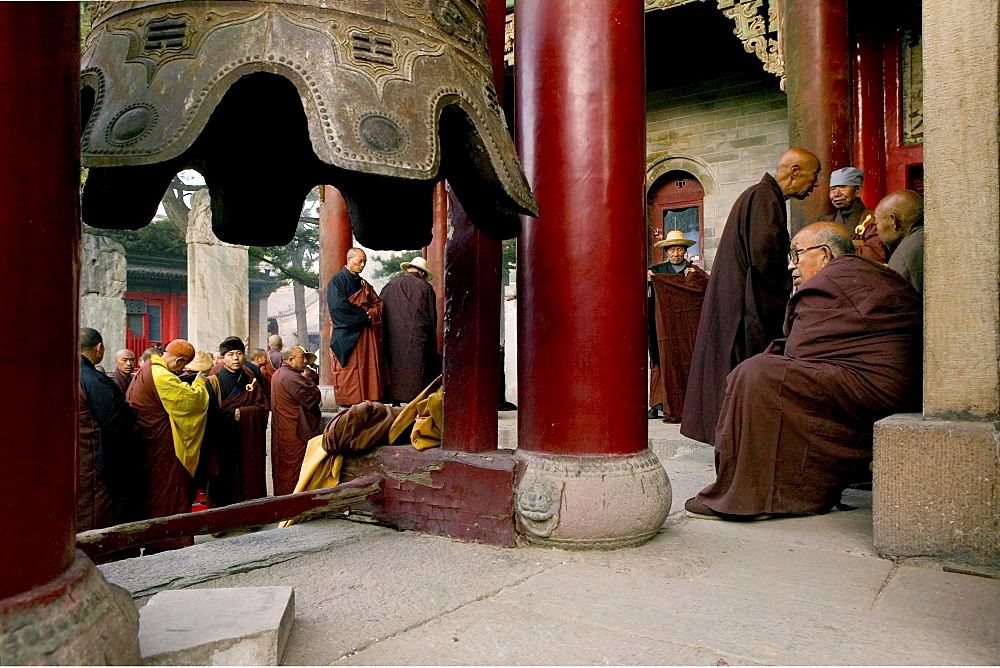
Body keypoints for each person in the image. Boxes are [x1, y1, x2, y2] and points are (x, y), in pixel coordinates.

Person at [684, 223, 922, 520]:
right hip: (903, 389)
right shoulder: (874, 274)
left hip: (872, 387)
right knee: (765, 369)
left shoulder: (831, 282)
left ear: (824, 255)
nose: (791, 265)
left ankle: (756, 494)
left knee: (756, 375)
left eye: (797, 255)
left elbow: (801, 351)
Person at [681, 148, 821, 445]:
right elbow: (764, 259)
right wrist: (798, 279)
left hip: (740, 303)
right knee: (746, 376)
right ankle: (741, 443)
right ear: (795, 171)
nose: (816, 184)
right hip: (745, 311)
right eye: (815, 174)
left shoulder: (761, 196)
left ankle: (737, 440)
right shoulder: (763, 197)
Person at [126, 339, 210, 551]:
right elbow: (190, 402)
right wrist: (200, 383)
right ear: (179, 360)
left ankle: (157, 539)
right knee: (171, 492)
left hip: (150, 442)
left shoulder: (149, 366)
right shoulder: (161, 375)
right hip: (163, 446)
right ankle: (171, 542)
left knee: (156, 494)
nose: (181, 370)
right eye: (182, 366)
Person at [647, 231, 709, 422]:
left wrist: (695, 277)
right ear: (666, 252)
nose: (676, 254)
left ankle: (690, 404)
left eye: (679, 249)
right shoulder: (658, 271)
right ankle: (659, 404)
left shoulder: (693, 271)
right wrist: (650, 280)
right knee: (661, 359)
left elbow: (707, 288)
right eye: (672, 250)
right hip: (663, 325)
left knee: (687, 360)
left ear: (685, 251)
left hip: (686, 327)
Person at [78, 328, 136, 532]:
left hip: (78, 458)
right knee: (96, 514)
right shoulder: (91, 378)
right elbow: (116, 419)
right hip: (94, 459)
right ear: (99, 347)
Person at [205, 337, 270, 506]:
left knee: (248, 475)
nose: (235, 358)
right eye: (230, 354)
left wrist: (242, 413)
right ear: (223, 358)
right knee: (223, 477)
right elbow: (210, 412)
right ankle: (220, 518)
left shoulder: (252, 379)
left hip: (248, 435)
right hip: (223, 437)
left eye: (239, 353)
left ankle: (249, 514)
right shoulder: (214, 381)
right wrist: (232, 414)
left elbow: (263, 407)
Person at [327, 247, 387, 405]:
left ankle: (368, 401)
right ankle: (349, 403)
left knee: (368, 367)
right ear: (349, 260)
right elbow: (338, 308)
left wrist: (372, 314)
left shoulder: (363, 283)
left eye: (365, 262)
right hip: (347, 334)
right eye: (359, 261)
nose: (362, 265)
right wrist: (365, 316)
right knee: (349, 371)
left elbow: (378, 303)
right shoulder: (337, 281)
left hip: (365, 333)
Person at [379, 255, 441, 404]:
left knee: (393, 369)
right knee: (415, 371)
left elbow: (380, 310)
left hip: (391, 338)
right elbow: (432, 318)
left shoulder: (390, 285)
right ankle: (414, 401)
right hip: (416, 339)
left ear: (407, 269)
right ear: (422, 273)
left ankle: (393, 400)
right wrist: (433, 344)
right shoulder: (425, 287)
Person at [271, 345, 322, 495]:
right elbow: (312, 399)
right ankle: (294, 503)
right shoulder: (290, 376)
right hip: (294, 431)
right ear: (291, 359)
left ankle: (286, 501)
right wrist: (308, 380)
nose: (305, 361)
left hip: (286, 430)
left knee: (287, 470)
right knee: (295, 471)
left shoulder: (281, 373)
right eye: (302, 357)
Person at [826, 166, 886, 262]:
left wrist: (835, 247)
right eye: (833, 189)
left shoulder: (872, 219)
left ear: (858, 191)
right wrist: (855, 244)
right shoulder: (826, 222)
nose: (836, 194)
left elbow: (874, 254)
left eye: (842, 187)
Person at [875, 190, 924, 294]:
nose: (876, 229)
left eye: (877, 222)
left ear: (893, 221)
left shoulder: (904, 256)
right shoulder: (926, 237)